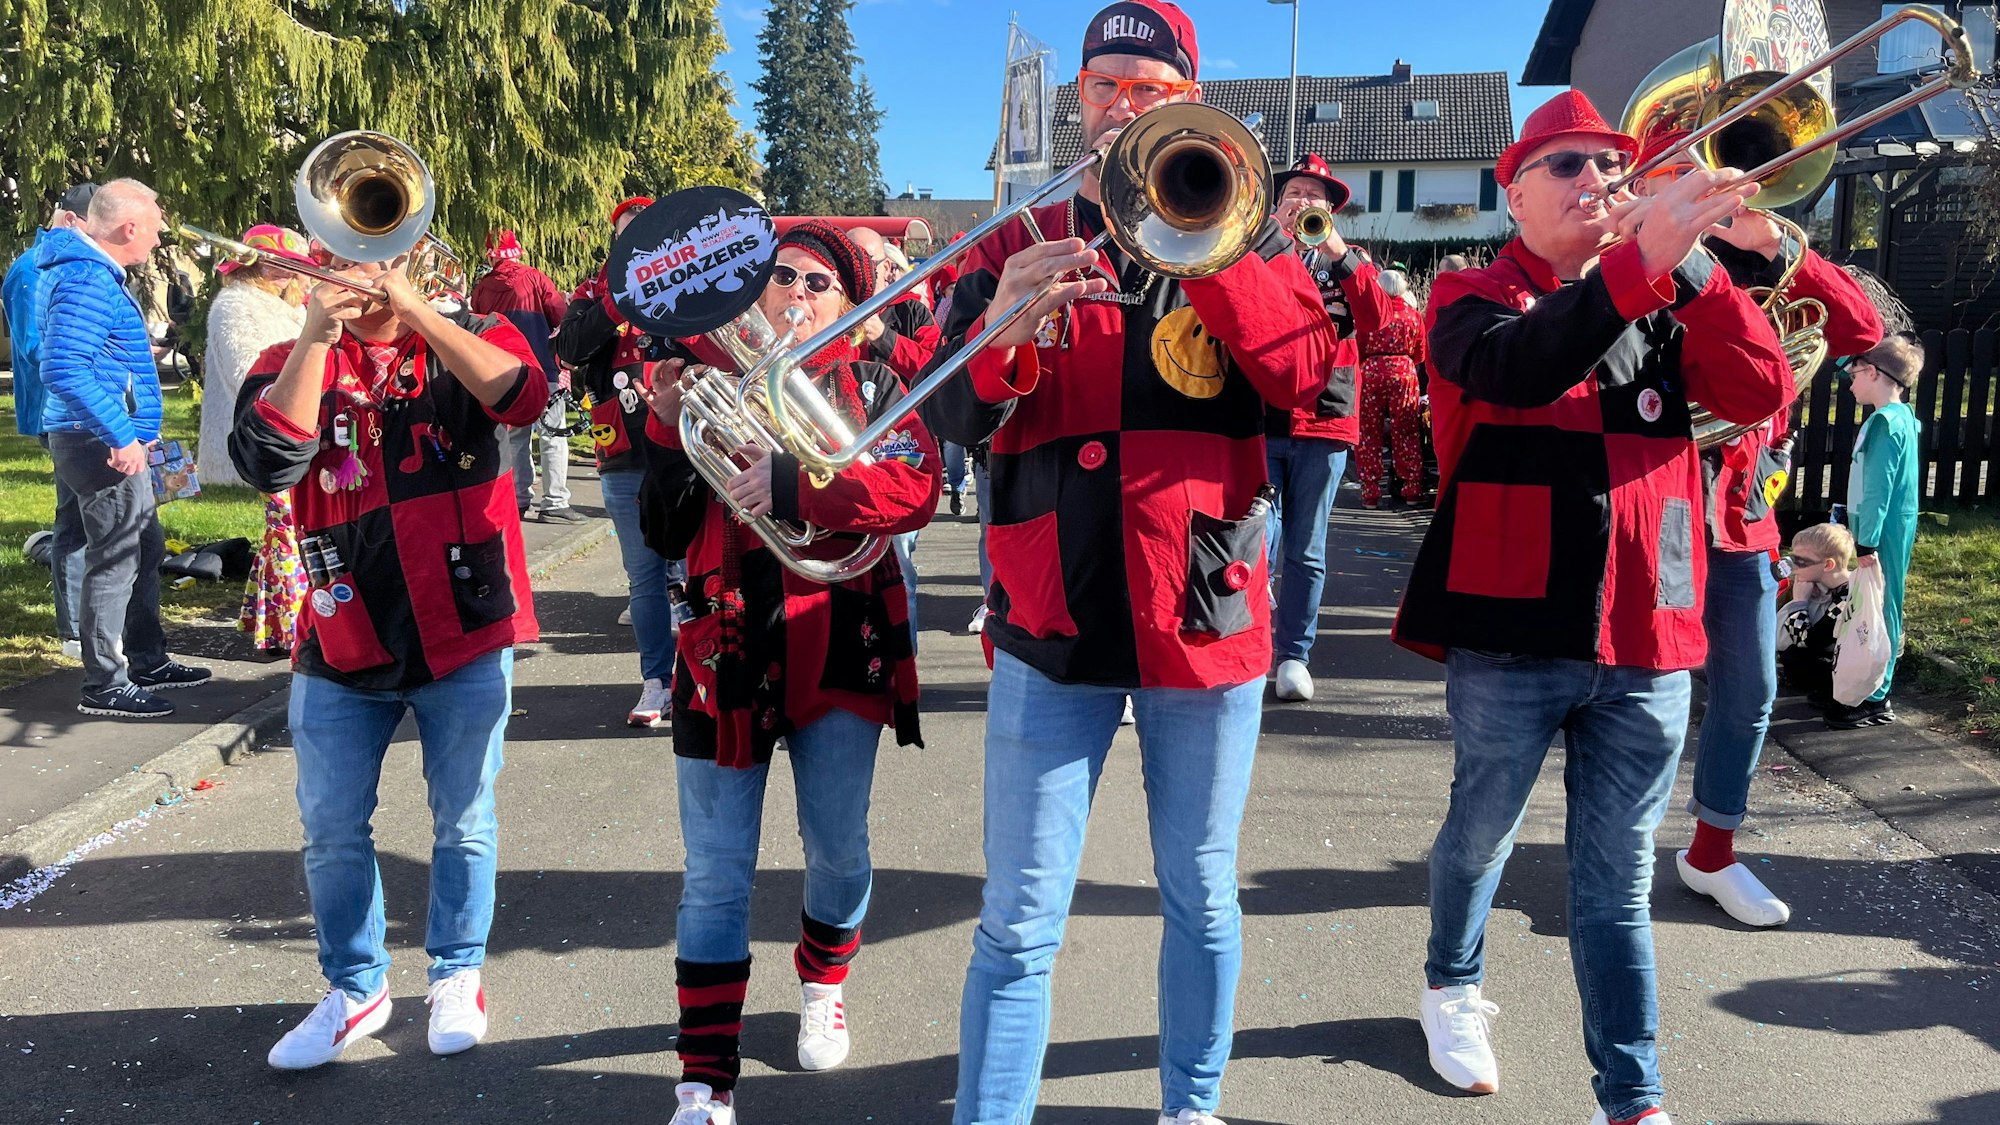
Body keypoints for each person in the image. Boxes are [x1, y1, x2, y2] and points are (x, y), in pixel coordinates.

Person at [925, 5, 1339, 1121]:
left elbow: (1309, 379)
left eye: (1147, 90)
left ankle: (1189, 1106)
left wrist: (1203, 251)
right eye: (1103, 85)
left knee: (1200, 895)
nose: (1121, 104)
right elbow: (947, 419)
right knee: (1017, 918)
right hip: (1049, 608)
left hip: (1198, 609)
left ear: (1187, 102)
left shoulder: (1245, 231)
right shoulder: (1015, 234)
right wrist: (1000, 332)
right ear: (1079, 101)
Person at [1393, 90, 1792, 1125]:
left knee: (1615, 881)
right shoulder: (1466, 295)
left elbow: (1758, 389)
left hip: (1646, 624)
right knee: (1478, 834)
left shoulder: (1665, 287)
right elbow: (1519, 368)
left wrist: (1694, 262)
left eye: (1608, 167)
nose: (1596, 183)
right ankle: (1448, 983)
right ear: (1511, 192)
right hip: (1510, 624)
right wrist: (1638, 263)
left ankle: (1632, 1096)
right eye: (1565, 166)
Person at [637, 220, 940, 1125]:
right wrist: (663, 426)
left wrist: (799, 486)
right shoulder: (708, 385)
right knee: (716, 872)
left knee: (839, 846)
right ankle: (704, 1075)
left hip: (842, 640)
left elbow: (913, 487)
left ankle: (822, 976)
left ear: (846, 304)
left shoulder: (876, 384)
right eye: (780, 277)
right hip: (721, 652)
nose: (795, 293)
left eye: (817, 282)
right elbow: (659, 525)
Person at [230, 246, 548, 1071]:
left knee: (464, 819)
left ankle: (456, 972)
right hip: (343, 629)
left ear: (412, 259)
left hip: (463, 620)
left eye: (384, 254)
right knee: (331, 829)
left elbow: (524, 397)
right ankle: (356, 986)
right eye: (340, 255)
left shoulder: (468, 331)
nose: (362, 271)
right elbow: (268, 461)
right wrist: (312, 340)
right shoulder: (284, 359)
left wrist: (418, 313)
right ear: (314, 263)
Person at [1628, 131, 1885, 929]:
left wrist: (1770, 240)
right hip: (1653, 511)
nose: (1704, 188)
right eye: (1681, 174)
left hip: (1740, 520)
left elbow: (1861, 329)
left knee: (1751, 692)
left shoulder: (1758, 263)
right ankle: (1620, 850)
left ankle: (1712, 852)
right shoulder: (1632, 258)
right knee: (1645, 697)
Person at [38, 178, 214, 718]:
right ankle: (106, 683)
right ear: (129, 227)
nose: (160, 240)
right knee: (116, 556)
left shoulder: (93, 274)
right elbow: (64, 367)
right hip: (97, 439)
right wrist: (120, 433)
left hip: (106, 434)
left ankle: (145, 658)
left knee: (145, 547)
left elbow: (97, 359)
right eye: (157, 229)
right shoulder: (88, 279)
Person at [1265, 152, 1395, 703]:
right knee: (1254, 537)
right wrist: (1269, 242)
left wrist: (1336, 250)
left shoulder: (1352, 259)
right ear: (1276, 204)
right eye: (1294, 192)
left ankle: (1293, 654)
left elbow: (1380, 319)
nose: (1304, 203)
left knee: (1307, 549)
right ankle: (1247, 641)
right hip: (1263, 415)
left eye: (1315, 197)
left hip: (1327, 420)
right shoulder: (1258, 252)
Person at [555, 195, 683, 727]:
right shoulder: (592, 290)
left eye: (646, 230)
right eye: (627, 234)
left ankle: (708, 673)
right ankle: (657, 681)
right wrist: (614, 303)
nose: (637, 241)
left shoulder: (685, 280)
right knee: (644, 575)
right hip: (622, 451)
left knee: (697, 564)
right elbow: (570, 348)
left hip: (684, 444)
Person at [199, 224, 316, 655]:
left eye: (293, 267)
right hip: (266, 432)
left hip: (301, 427)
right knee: (289, 528)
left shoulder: (288, 307)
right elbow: (246, 373)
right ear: (251, 264)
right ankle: (295, 628)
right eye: (276, 266)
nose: (287, 275)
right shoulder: (235, 305)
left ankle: (266, 619)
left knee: (287, 530)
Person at [5, 182, 97, 661]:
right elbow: (34, 345)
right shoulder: (30, 270)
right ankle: (76, 629)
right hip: (57, 412)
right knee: (77, 519)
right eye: (95, 224)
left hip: (87, 408)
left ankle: (99, 622)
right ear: (70, 220)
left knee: (97, 515)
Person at [848, 225, 942, 639]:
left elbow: (934, 371)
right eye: (851, 260)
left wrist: (882, 336)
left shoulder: (911, 312)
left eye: (869, 262)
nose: (860, 270)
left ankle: (903, 674)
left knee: (898, 571)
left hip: (896, 456)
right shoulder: (828, 307)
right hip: (837, 458)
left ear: (887, 270)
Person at [1833, 332, 1925, 729]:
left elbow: (1877, 488)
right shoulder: (1900, 417)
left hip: (1883, 527)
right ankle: (1870, 684)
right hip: (1887, 523)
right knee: (1879, 598)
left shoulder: (1885, 423)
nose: (1850, 383)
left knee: (1883, 601)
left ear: (1872, 372)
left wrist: (1866, 538)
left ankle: (1876, 694)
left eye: (1853, 374)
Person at [470, 229, 576, 522]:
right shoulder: (535, 277)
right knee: (553, 435)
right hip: (543, 368)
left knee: (517, 436)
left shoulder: (481, 289)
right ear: (516, 251)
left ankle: (519, 497)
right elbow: (560, 316)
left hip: (505, 374)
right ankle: (555, 501)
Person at [1354, 269, 1428, 509]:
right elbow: (1420, 352)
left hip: (1372, 371)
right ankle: (1411, 489)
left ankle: (1370, 492)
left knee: (1369, 432)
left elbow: (1360, 347)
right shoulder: (1414, 316)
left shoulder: (1371, 315)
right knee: (1406, 430)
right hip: (1404, 372)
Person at [1776, 522, 1856, 707]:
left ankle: (1833, 693)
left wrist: (1799, 603)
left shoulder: (1846, 598)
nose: (1794, 568)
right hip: (1840, 657)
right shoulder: (1837, 586)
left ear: (1828, 565)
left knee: (1794, 656)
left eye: (1801, 561)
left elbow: (1807, 642)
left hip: (1851, 666)